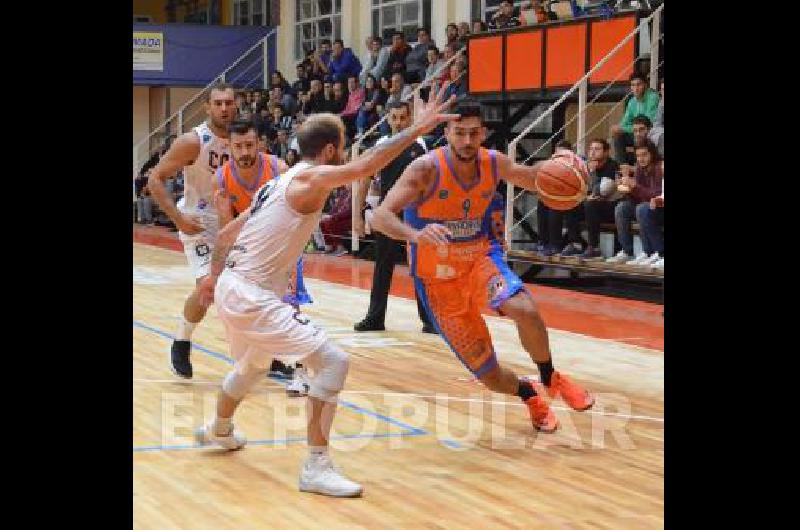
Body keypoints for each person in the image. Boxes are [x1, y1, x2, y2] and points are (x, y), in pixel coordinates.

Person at [193, 84, 460, 497]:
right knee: (333, 362)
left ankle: (218, 429)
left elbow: (227, 233)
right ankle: (316, 467)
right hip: (250, 292)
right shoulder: (311, 178)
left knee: (252, 366)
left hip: (236, 286)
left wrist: (212, 278)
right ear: (333, 149)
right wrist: (416, 130)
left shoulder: (277, 183)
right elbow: (366, 165)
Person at [371, 97, 595, 433]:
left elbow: (531, 177)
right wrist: (415, 235)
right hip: (438, 282)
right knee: (490, 375)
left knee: (526, 309)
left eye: (473, 133)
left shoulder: (493, 163)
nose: (467, 141)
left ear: (483, 133)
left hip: (479, 260)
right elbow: (380, 217)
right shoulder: (425, 169)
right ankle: (528, 393)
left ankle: (551, 377)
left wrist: (565, 169)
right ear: (446, 132)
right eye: (459, 133)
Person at [147, 82, 235, 379]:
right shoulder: (193, 141)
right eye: (218, 103)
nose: (224, 108)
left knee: (253, 289)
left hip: (232, 221)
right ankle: (182, 340)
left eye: (229, 103)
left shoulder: (246, 139)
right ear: (207, 107)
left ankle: (263, 351)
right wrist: (178, 220)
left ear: (237, 106)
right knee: (207, 287)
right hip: (198, 220)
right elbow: (155, 179)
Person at [214, 120, 309, 392]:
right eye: (238, 146)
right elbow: (227, 228)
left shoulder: (278, 169)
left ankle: (300, 374)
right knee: (244, 308)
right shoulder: (220, 179)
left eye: (249, 145)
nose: (244, 151)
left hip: (282, 249)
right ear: (228, 147)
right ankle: (253, 363)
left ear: (259, 144)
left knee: (291, 306)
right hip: (248, 254)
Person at [353, 101, 435, 333]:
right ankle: (375, 318)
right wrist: (358, 217)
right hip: (388, 213)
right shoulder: (381, 145)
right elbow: (364, 181)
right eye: (394, 118)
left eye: (402, 118)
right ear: (388, 119)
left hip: (417, 214)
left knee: (421, 267)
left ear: (410, 119)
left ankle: (429, 320)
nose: (398, 122)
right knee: (383, 265)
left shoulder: (422, 146)